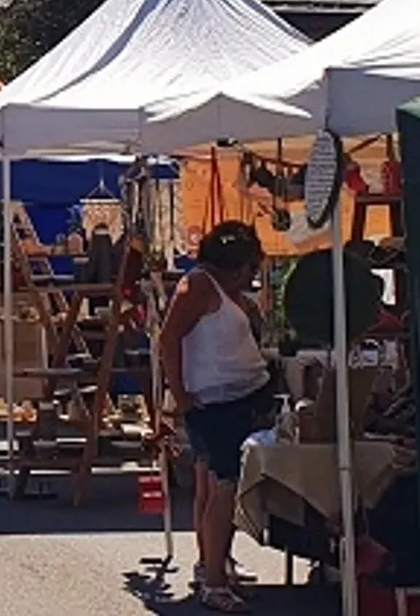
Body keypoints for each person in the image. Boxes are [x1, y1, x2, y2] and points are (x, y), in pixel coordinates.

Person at [159, 222, 273, 614]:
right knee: (223, 487)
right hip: (218, 402)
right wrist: (180, 395)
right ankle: (215, 580)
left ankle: (212, 563)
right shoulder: (198, 287)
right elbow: (168, 338)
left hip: (229, 397)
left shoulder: (219, 288)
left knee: (211, 485)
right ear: (238, 265)